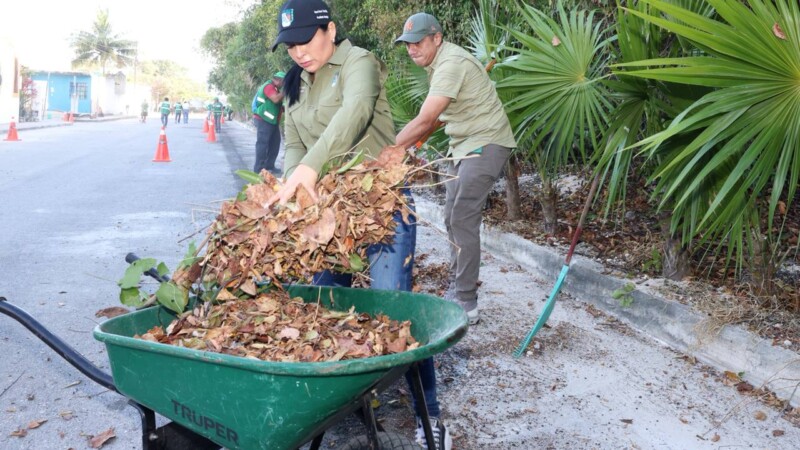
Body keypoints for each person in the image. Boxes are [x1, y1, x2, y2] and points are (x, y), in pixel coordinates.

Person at [266, 2, 450, 449]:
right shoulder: (297, 83)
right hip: (330, 214)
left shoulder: (359, 63)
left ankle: (431, 418)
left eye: (305, 41)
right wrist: (297, 186)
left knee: (394, 312)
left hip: (381, 205)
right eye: (290, 46)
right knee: (325, 306)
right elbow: (293, 142)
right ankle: (346, 403)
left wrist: (309, 167)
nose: (298, 53)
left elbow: (354, 115)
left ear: (330, 30)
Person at [393, 13, 517, 326]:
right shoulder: (439, 65)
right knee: (450, 216)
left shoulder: (450, 64)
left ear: (436, 37)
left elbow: (424, 119)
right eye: (408, 44)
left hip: (486, 143)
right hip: (462, 146)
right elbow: (434, 119)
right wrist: (409, 143)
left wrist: (391, 149)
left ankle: (466, 302)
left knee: (462, 216)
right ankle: (457, 284)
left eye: (418, 42)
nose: (412, 49)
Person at [253, 71, 285, 175]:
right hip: (263, 119)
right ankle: (259, 169)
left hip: (272, 121)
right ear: (278, 80)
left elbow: (277, 105)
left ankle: (269, 166)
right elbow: (275, 99)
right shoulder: (268, 86)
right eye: (283, 82)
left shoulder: (276, 88)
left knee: (275, 143)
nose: (283, 85)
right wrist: (286, 92)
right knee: (262, 144)